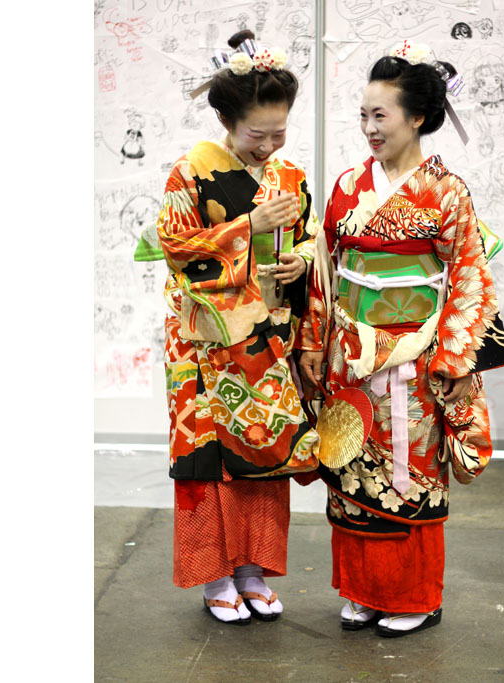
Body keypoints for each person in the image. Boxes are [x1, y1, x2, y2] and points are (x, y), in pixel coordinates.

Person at [296, 42, 504, 638]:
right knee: (349, 469)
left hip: (414, 359)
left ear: (416, 117)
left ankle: (414, 594)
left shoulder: (446, 191)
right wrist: (316, 341)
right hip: (350, 356)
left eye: (380, 115)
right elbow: (324, 271)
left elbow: (468, 276)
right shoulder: (346, 187)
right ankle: (364, 590)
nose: (369, 127)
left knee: (410, 473)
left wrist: (448, 355)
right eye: (363, 115)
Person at [133, 29, 320, 626]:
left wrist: (303, 260)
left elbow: (311, 234)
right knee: (208, 459)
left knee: (267, 450)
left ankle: (252, 570)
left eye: (279, 134)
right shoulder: (191, 170)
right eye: (255, 134)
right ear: (226, 119)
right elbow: (173, 247)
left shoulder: (290, 176)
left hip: (266, 331)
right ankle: (214, 575)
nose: (269, 146)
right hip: (205, 338)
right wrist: (248, 223)